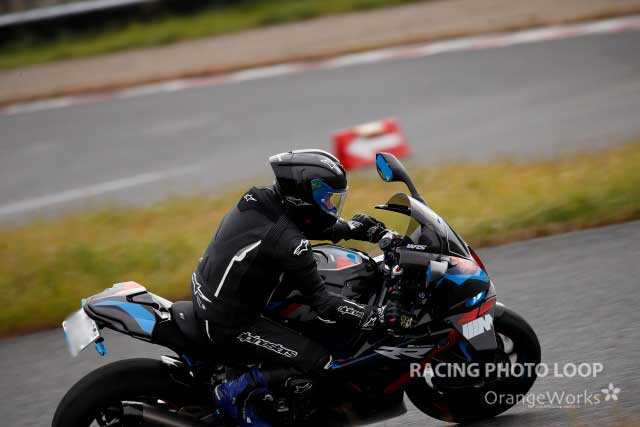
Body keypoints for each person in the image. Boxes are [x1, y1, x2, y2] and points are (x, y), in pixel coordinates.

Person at [191, 149, 387, 426]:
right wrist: (375, 317)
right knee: (319, 360)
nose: (330, 206)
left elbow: (302, 225)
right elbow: (324, 304)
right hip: (229, 322)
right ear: (302, 196)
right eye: (326, 199)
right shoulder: (290, 243)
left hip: (207, 291)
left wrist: (355, 228)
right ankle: (232, 393)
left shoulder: (259, 199)